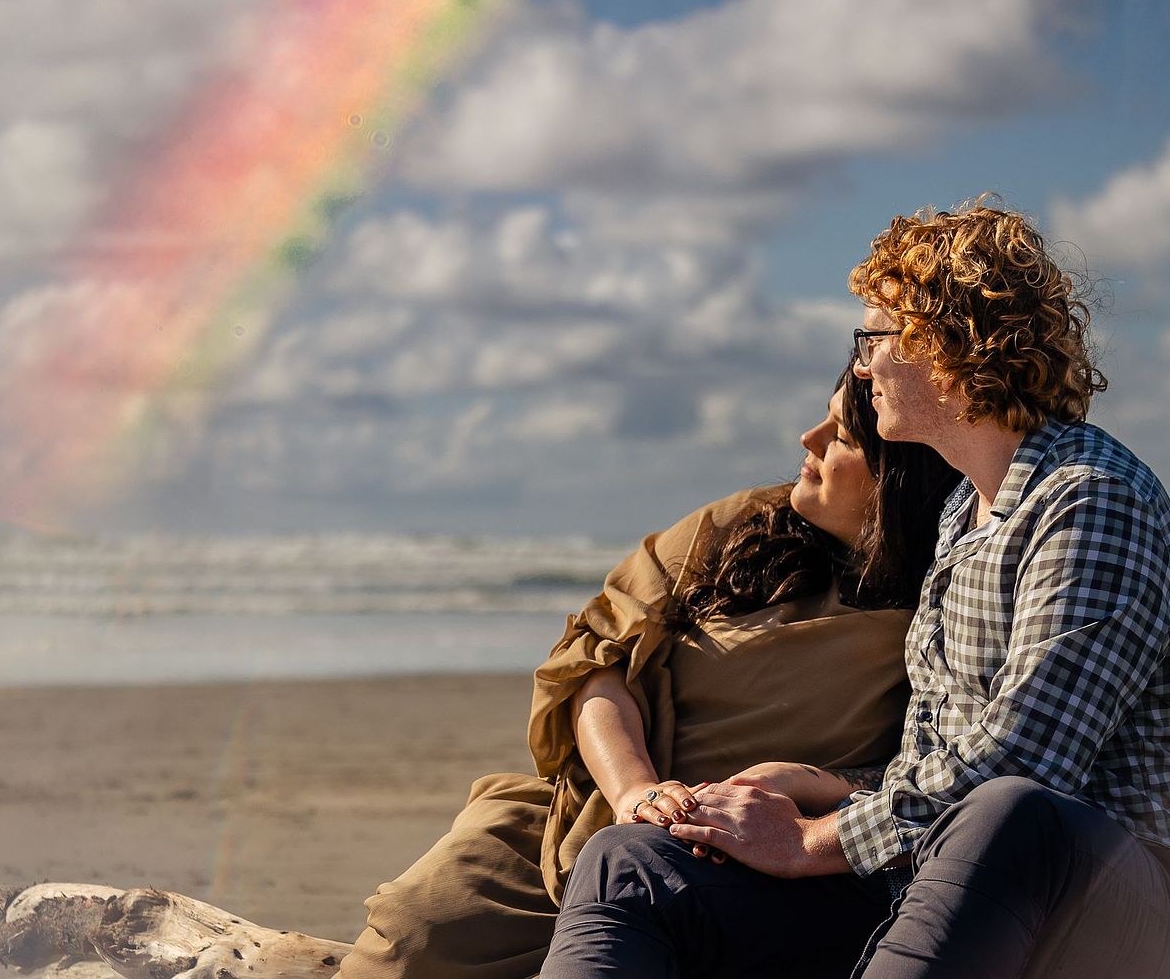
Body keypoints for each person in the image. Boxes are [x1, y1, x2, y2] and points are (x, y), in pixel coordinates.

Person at [539, 203, 1170, 979]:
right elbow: (939, 763)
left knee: (1012, 812)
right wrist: (813, 791)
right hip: (946, 882)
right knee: (632, 861)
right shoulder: (961, 511)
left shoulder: (1091, 499)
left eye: (873, 336)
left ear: (946, 347)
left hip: (1140, 916)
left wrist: (811, 842)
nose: (864, 364)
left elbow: (1027, 763)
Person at [334, 357, 960, 978]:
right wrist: (636, 791)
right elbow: (594, 665)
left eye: (842, 437)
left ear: (899, 480)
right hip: (588, 823)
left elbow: (941, 774)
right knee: (416, 936)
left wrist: (800, 787)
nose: (809, 440)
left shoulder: (947, 607)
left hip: (763, 866)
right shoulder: (735, 529)